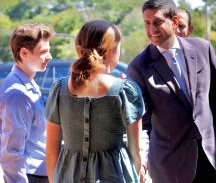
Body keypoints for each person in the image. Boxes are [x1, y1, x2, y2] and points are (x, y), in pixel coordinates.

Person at [127, 0, 216, 183]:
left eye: (157, 22)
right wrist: (141, 161)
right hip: (169, 168)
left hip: (209, 160)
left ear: (174, 21)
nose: (151, 30)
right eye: (147, 23)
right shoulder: (139, 67)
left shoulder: (203, 49)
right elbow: (143, 123)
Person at [45, 19, 144, 183]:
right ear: (112, 50)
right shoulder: (125, 91)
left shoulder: (59, 89)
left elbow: (51, 151)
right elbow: (136, 150)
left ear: (79, 49)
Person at [0, 23, 54, 183]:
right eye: (43, 52)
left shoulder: (27, 84)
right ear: (24, 52)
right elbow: (12, 152)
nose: (49, 56)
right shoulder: (17, 94)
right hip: (30, 177)